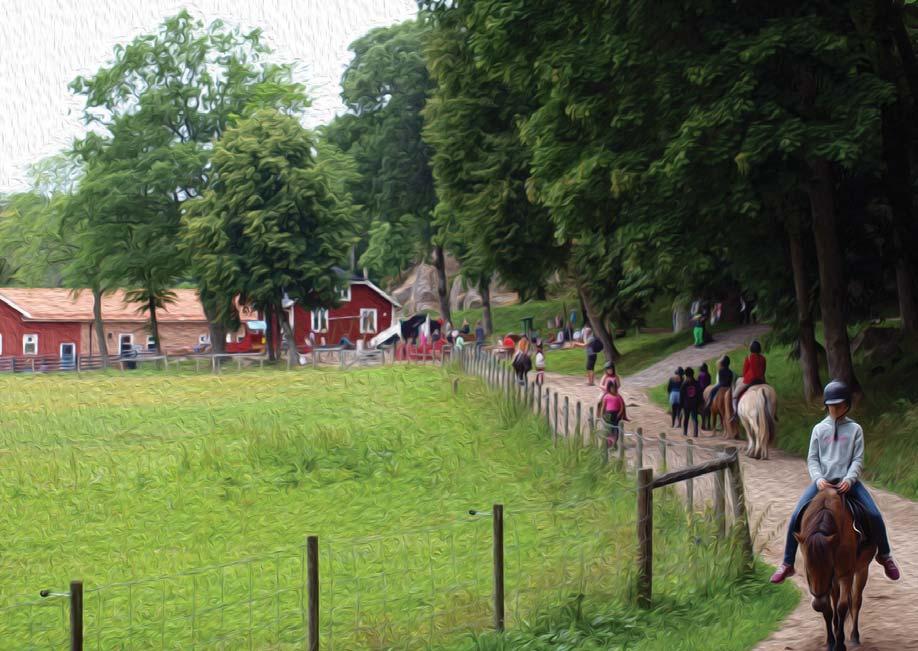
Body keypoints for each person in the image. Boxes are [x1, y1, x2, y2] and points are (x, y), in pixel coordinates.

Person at [770, 380, 901, 584]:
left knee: (874, 514)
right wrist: (819, 479)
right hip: (822, 484)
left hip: (848, 483)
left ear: (847, 405)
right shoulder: (819, 429)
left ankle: (884, 555)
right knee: (797, 514)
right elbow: (812, 459)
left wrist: (850, 480)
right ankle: (787, 563)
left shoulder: (855, 429)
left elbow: (857, 459)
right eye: (831, 405)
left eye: (839, 405)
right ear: (826, 405)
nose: (835, 409)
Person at [731, 340, 766, 421]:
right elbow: (764, 370)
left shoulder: (749, 358)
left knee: (735, 395)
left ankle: (735, 413)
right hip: (761, 380)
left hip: (750, 380)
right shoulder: (763, 358)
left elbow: (744, 372)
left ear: (751, 349)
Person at [600, 381, 626, 449]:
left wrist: (620, 413)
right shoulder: (606, 396)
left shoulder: (618, 396)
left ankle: (614, 443)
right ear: (609, 388)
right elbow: (603, 406)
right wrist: (602, 415)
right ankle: (609, 443)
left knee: (616, 429)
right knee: (609, 429)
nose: (613, 389)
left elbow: (622, 406)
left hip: (616, 414)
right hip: (608, 414)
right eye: (612, 388)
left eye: (614, 388)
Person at [680, 367, 701, 437]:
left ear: (686, 375)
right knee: (695, 418)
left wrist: (681, 405)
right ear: (693, 374)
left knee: (686, 418)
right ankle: (695, 433)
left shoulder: (684, 384)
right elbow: (699, 394)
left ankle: (685, 432)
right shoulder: (696, 383)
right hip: (694, 404)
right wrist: (698, 403)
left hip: (686, 404)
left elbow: (681, 396)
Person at [698, 362, 712, 429]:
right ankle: (709, 424)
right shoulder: (708, 374)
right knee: (709, 408)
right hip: (708, 390)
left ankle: (703, 424)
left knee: (700, 407)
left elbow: (698, 383)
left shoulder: (700, 374)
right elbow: (709, 383)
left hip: (701, 391)